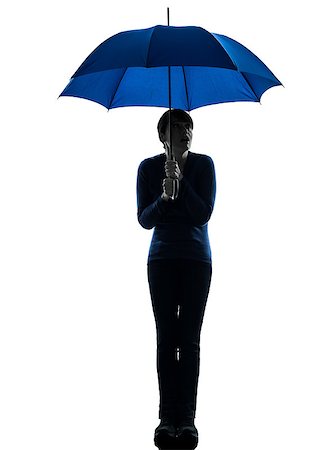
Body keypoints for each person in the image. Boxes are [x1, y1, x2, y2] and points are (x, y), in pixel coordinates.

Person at [136, 109, 216, 449]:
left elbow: (203, 213)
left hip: (197, 259)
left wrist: (181, 183)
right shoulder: (148, 168)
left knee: (190, 340)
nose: (186, 131)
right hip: (162, 259)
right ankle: (166, 418)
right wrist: (165, 196)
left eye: (188, 126)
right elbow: (144, 218)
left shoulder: (204, 164)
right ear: (162, 135)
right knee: (167, 339)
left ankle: (188, 420)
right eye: (178, 126)